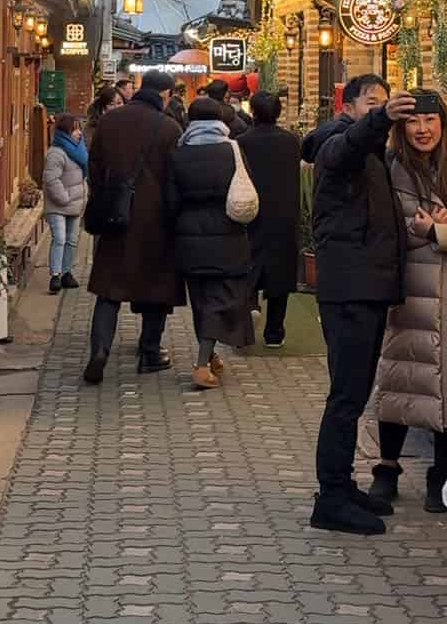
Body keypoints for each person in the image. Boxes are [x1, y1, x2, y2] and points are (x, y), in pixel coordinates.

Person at [369, 89, 447, 515]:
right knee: (401, 378)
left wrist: (444, 232)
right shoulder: (391, 166)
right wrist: (417, 227)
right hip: (413, 287)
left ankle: (440, 475)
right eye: (413, 122)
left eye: (430, 121)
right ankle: (385, 470)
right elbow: (382, 224)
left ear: (444, 122)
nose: (422, 130)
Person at [302, 74, 412, 535]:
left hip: (365, 284)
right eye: (370, 103)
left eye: (385, 103)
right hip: (349, 286)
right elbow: (343, 149)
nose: (379, 110)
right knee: (346, 395)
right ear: (345, 105)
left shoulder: (369, 149)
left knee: (355, 392)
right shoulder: (336, 141)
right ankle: (330, 496)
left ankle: (342, 484)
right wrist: (380, 120)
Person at [83, 69, 181, 384]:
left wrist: (102, 200)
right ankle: (150, 353)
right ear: (165, 94)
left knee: (108, 289)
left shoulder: (110, 122)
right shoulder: (168, 128)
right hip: (156, 222)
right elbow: (174, 179)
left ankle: (99, 350)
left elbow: (93, 166)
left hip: (115, 216)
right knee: (156, 288)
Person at [164, 97, 255, 389]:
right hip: (227, 235)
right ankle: (202, 365)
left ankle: (210, 353)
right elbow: (246, 190)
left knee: (201, 300)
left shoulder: (178, 154)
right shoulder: (232, 150)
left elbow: (170, 201)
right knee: (220, 299)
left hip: (188, 236)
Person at [237, 90, 301, 347]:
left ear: (252, 111)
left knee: (247, 263)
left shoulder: (241, 140)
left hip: (250, 210)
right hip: (283, 212)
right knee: (280, 272)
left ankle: (250, 309)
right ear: (279, 112)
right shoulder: (291, 141)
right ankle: (275, 331)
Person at [41, 112, 87, 294]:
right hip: (58, 205)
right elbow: (51, 179)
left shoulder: (80, 150)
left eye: (79, 129)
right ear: (64, 132)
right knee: (59, 239)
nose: (78, 133)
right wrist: (64, 198)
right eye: (74, 129)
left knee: (72, 240)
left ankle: (67, 272)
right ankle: (55, 275)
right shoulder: (56, 153)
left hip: (75, 204)